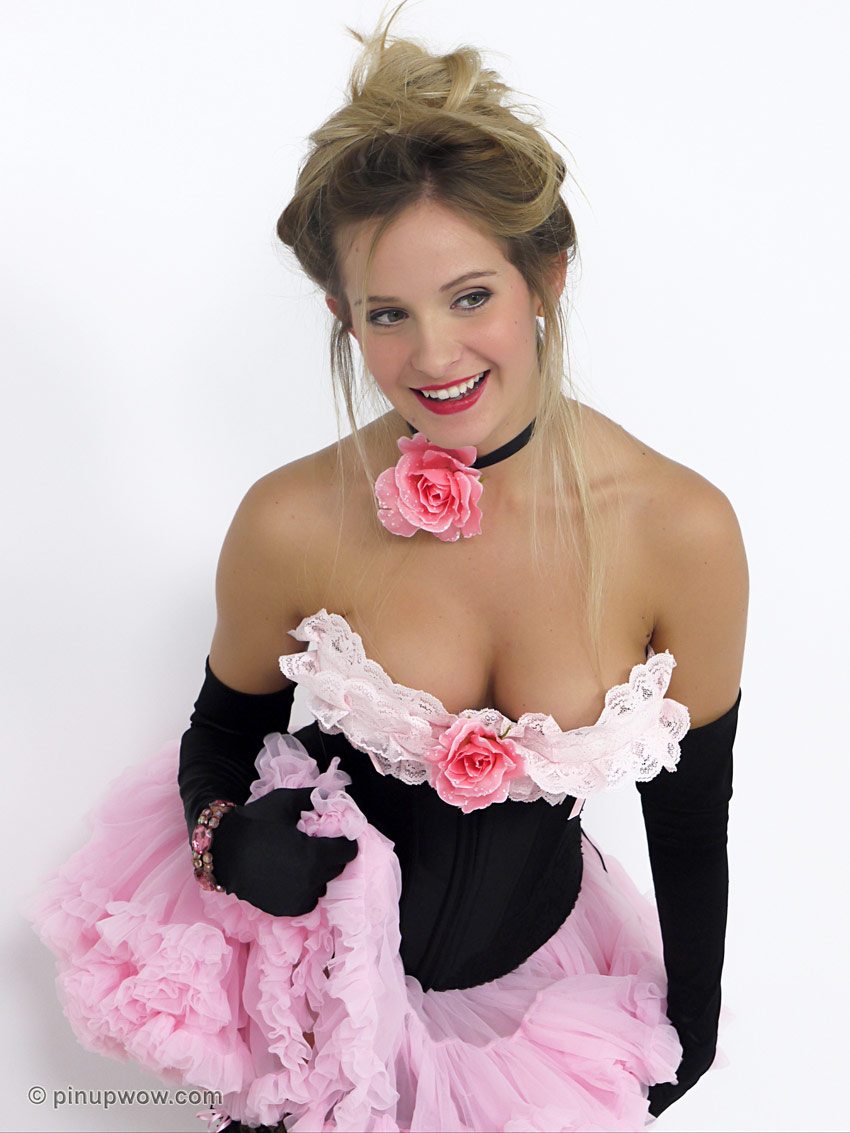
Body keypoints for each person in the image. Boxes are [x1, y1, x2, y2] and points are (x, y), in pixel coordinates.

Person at [27, 14, 747, 1133]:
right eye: (388, 315)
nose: (435, 357)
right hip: (314, 1000)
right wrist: (224, 836)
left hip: (531, 1022)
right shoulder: (290, 518)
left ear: (547, 275)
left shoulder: (681, 530)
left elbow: (691, 812)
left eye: (471, 296)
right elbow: (221, 732)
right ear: (342, 316)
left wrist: (693, 1015)